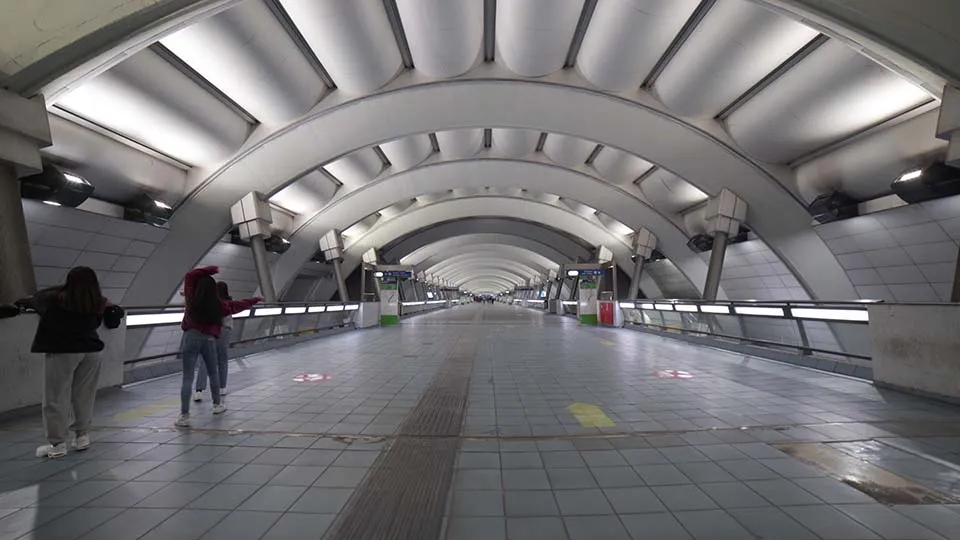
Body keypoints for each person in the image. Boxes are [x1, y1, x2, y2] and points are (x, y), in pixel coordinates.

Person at [16, 267, 123, 459]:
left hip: (63, 351)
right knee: (84, 396)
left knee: (55, 398)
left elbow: (37, 298)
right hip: (91, 351)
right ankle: (82, 436)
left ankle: (57, 444)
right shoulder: (97, 302)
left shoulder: (57, 300)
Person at [177, 266, 261, 428]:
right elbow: (238, 305)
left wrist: (210, 270)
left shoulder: (191, 299)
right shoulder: (219, 305)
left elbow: (190, 275)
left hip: (191, 337)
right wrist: (255, 299)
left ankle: (184, 416)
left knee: (187, 377)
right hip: (209, 339)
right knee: (213, 372)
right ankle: (217, 405)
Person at [193, 281, 234, 402]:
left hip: (211, 331)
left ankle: (199, 390)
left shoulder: (210, 302)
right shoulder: (229, 302)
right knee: (222, 359)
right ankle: (222, 387)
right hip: (225, 330)